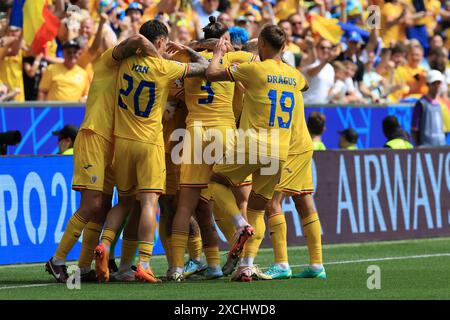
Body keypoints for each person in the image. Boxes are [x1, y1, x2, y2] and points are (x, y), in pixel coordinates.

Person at [94, 20, 208, 283]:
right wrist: (188, 51)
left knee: (123, 203)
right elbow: (206, 68)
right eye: (165, 43)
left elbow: (128, 44)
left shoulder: (122, 62)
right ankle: (144, 262)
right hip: (149, 144)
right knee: (148, 204)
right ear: (159, 43)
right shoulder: (165, 67)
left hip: (122, 143)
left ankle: (105, 247)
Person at [45, 34, 161, 284]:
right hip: (94, 135)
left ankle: (85, 266)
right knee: (92, 205)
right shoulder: (107, 61)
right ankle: (57, 261)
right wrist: (157, 55)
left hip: (114, 142)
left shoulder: (130, 70)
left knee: (103, 207)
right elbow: (136, 39)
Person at [205, 24, 303, 282]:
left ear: (262, 45)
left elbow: (213, 72)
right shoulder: (294, 75)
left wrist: (217, 53)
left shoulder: (254, 69)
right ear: (284, 47)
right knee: (260, 209)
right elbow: (304, 85)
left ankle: (239, 224)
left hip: (253, 142)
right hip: (279, 150)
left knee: (216, 181)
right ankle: (246, 266)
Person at [168, 16, 256, 282]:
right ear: (225, 39)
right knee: (242, 197)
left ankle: (177, 268)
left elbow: (174, 92)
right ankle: (243, 260)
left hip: (194, 132)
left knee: (186, 206)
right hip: (225, 130)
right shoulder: (235, 58)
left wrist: (190, 46)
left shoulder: (185, 59)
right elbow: (257, 57)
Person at [411, 70, 447, 147]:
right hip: (426, 147)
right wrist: (418, 146)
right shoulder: (421, 103)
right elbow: (414, 128)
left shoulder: (440, 103)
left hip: (441, 146)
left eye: (439, 83)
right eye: (434, 84)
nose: (437, 86)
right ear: (428, 84)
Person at [302, 38, 335, 104]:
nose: (326, 50)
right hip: (307, 106)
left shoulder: (330, 67)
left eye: (329, 48)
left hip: (323, 107)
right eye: (322, 47)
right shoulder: (310, 61)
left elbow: (329, 87)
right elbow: (311, 73)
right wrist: (326, 61)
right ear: (316, 49)